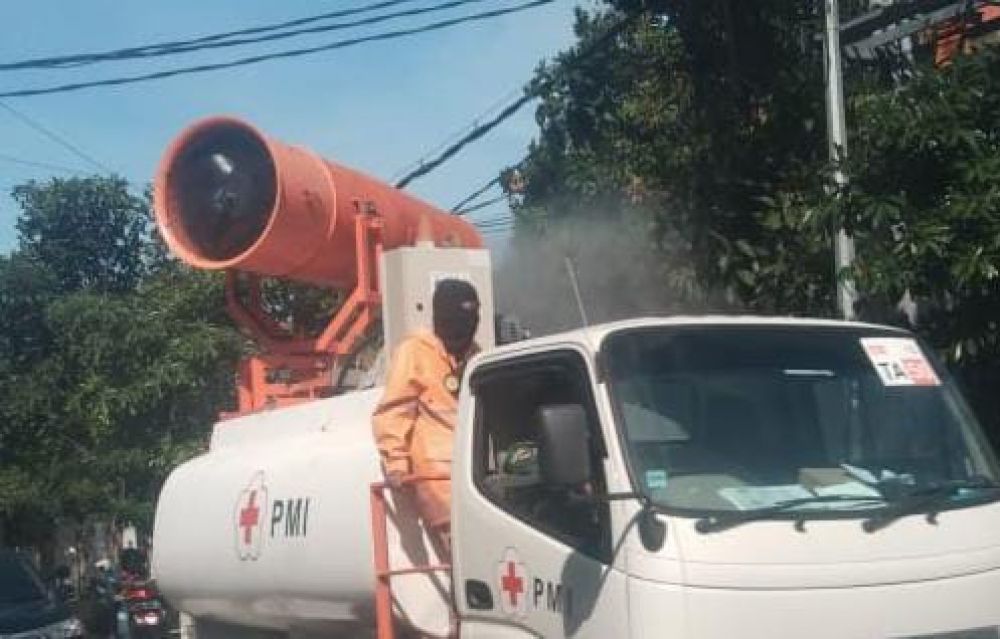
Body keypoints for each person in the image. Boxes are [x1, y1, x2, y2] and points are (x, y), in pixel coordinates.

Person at [372, 279, 481, 553]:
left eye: (473, 314)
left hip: (478, 478)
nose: (467, 324)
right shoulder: (415, 351)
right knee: (466, 558)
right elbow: (394, 411)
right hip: (438, 483)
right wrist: (397, 464)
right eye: (460, 315)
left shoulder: (477, 356)